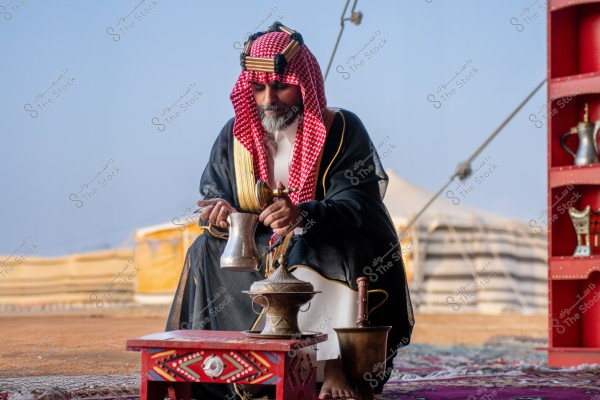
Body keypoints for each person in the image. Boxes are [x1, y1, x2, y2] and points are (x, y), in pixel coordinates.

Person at [166, 22, 414, 400]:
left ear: (303, 84)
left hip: (325, 233)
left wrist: (302, 215)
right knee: (202, 250)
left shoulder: (340, 127)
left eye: (279, 86)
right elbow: (214, 190)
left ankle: (332, 368)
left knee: (322, 247)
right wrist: (218, 208)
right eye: (259, 88)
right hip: (257, 240)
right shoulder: (234, 134)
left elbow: (357, 200)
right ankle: (237, 369)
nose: (269, 100)